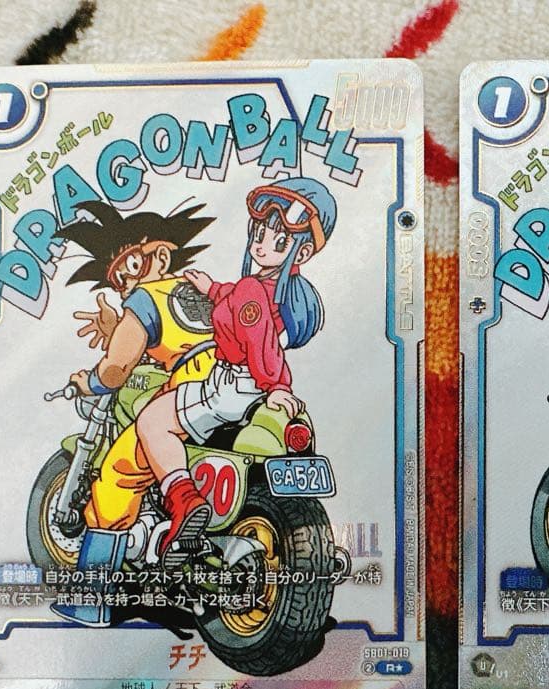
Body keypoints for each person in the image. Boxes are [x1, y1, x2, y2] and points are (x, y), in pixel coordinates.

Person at [134, 178, 337, 557]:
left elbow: (260, 339)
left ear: (303, 250)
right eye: (260, 233)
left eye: (279, 240)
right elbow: (246, 305)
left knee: (151, 422)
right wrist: (212, 289)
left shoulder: (251, 292)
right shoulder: (278, 289)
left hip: (232, 387)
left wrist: (277, 385)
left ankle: (183, 501)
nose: (262, 244)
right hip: (250, 388)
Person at [52, 200, 216, 625]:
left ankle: (88, 602)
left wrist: (90, 381)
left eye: (131, 264)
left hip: (190, 387)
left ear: (161, 256)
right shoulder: (202, 289)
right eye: (118, 278)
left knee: (116, 478)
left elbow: (116, 369)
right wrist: (120, 331)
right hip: (237, 387)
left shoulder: (145, 299)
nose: (126, 281)